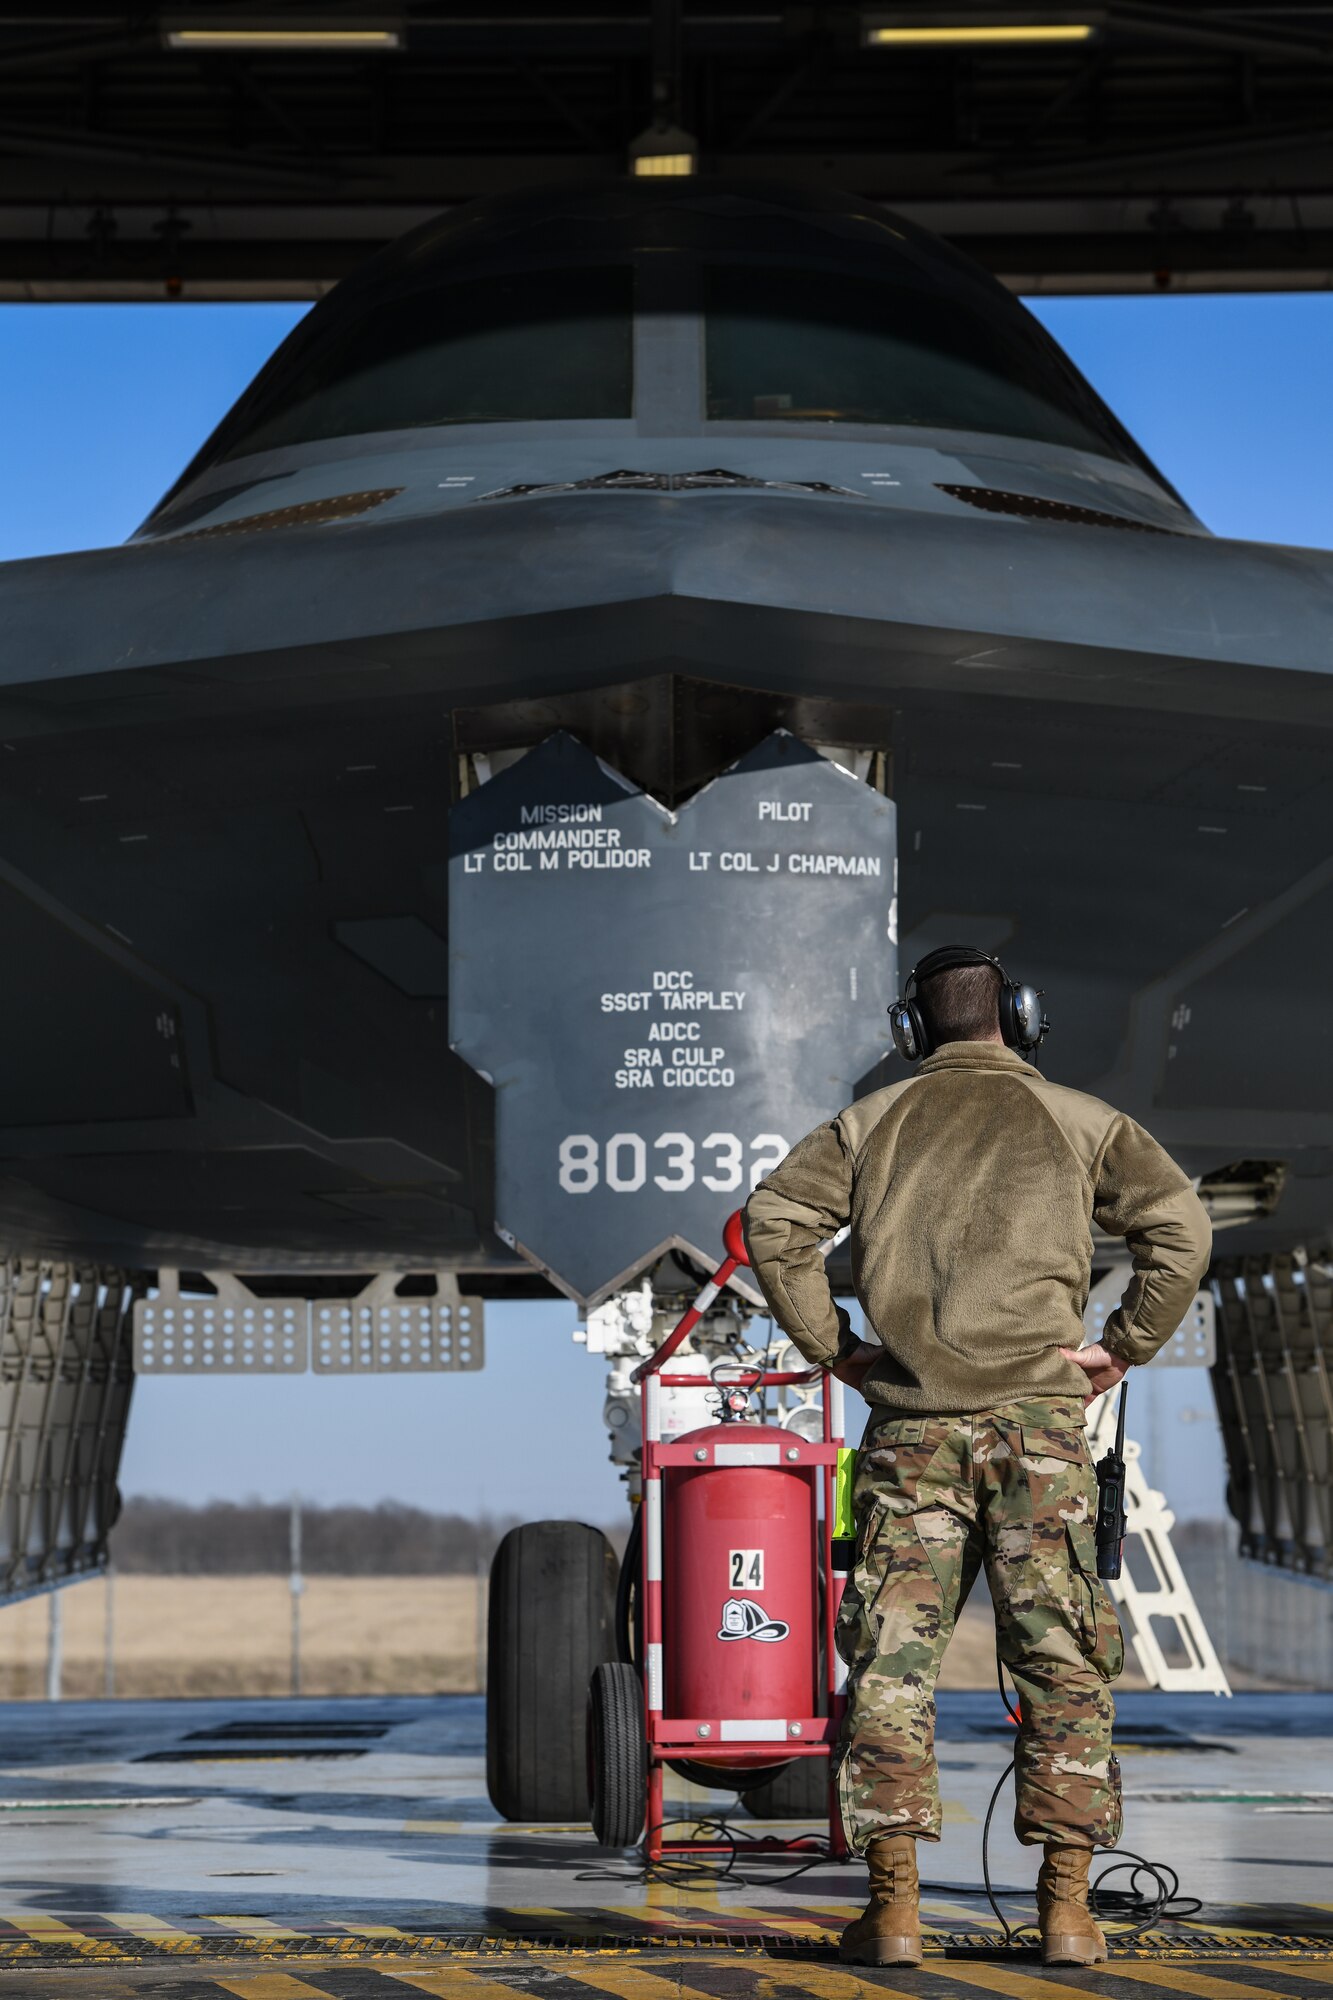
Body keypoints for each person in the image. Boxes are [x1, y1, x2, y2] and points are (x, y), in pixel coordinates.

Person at [743, 945, 1212, 1970]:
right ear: (1024, 1019)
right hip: (1040, 1436)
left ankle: (895, 1909)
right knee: (1063, 1662)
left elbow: (774, 1222)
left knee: (892, 1666)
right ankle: (1067, 1912)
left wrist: (837, 1346)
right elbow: (1179, 1229)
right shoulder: (1084, 1122)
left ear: (910, 1031)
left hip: (911, 1436)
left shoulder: (868, 1123)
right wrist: (1120, 1344)